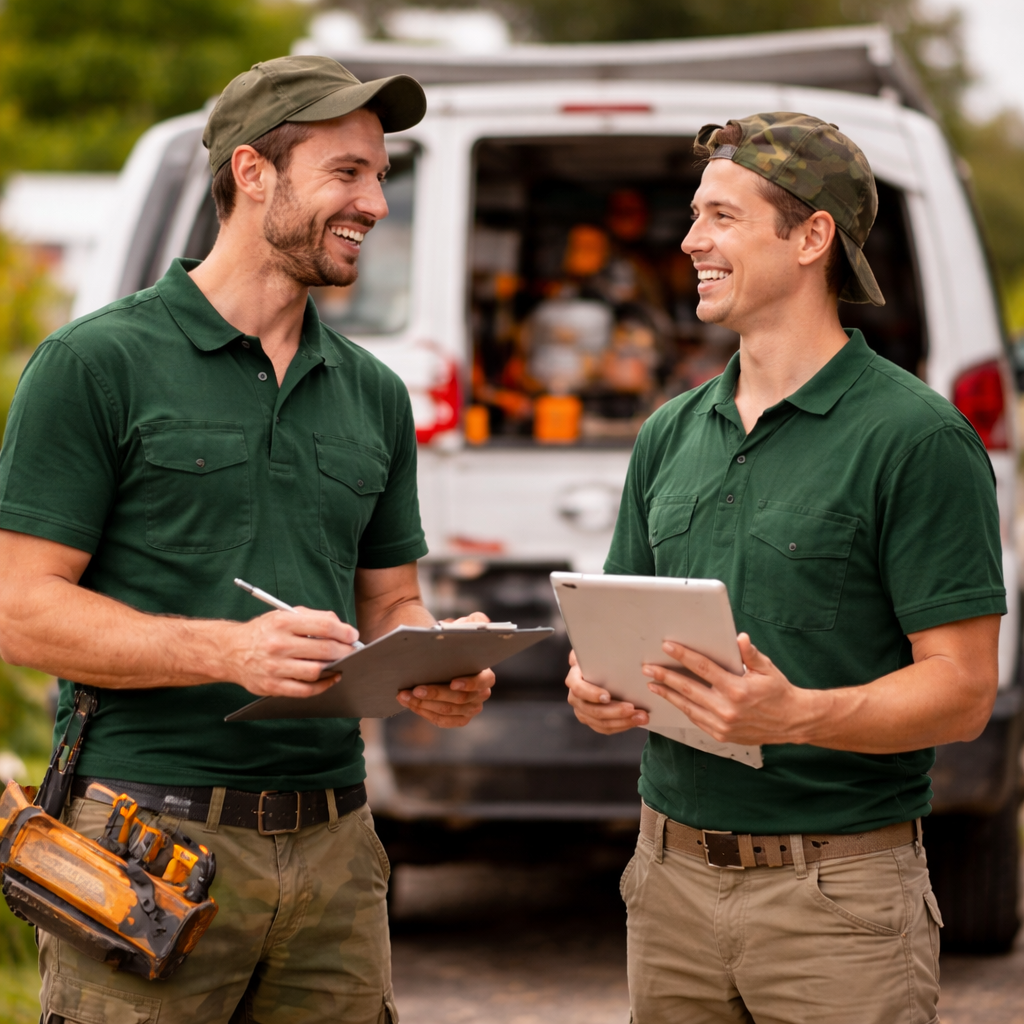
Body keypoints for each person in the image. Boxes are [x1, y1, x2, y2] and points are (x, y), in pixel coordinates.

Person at [0, 56, 496, 1024]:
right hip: (144, 839)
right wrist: (224, 650)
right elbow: (20, 609)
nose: (375, 203)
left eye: (380, 176)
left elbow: (389, 600)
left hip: (338, 845)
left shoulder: (373, 393)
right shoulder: (96, 362)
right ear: (252, 172)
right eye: (346, 172)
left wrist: (433, 662)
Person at [565, 112, 1005, 1024]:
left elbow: (963, 693)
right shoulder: (669, 434)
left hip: (838, 905)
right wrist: (600, 689)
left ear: (812, 238)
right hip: (668, 885)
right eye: (695, 217)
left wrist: (797, 715)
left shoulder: (916, 438)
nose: (690, 241)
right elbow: (620, 635)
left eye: (721, 218)